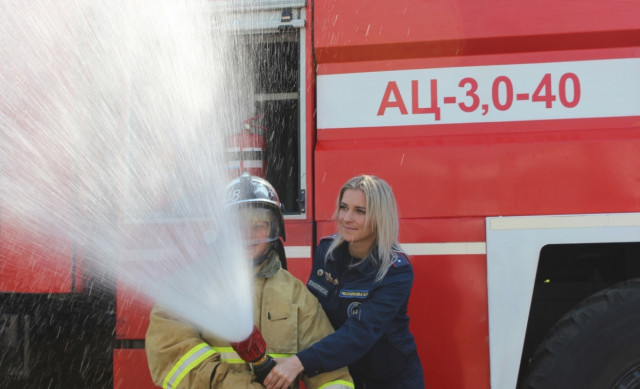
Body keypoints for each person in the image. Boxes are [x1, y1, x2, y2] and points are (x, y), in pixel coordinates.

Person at [145, 173, 354, 389]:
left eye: (259, 226)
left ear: (274, 231)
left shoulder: (296, 295)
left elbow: (332, 374)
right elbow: (171, 356)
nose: (249, 235)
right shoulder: (188, 286)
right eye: (239, 226)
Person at [264, 175, 425, 389]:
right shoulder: (327, 251)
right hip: (341, 376)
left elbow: (360, 333)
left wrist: (298, 362)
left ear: (380, 217)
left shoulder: (396, 271)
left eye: (360, 211)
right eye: (343, 207)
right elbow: (311, 313)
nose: (347, 218)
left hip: (391, 380)